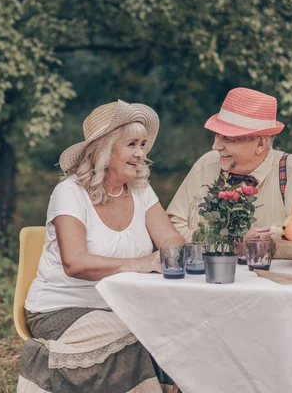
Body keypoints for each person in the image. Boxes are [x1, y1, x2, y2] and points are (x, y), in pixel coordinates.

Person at [17, 100, 184, 393]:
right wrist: (141, 263)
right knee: (138, 339)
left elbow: (171, 241)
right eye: (131, 144)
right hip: (62, 309)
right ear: (105, 149)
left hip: (124, 306)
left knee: (177, 333)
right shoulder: (70, 192)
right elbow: (75, 263)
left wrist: (170, 251)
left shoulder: (141, 190)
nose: (141, 153)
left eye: (143, 144)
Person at [166, 87, 292, 242]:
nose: (215, 146)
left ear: (260, 144)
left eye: (228, 139)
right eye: (217, 135)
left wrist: (273, 239)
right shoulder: (207, 164)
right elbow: (172, 226)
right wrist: (221, 245)